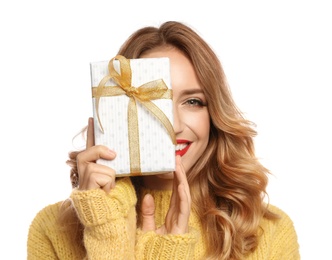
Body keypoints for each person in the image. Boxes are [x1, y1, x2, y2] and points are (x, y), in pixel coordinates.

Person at [27, 21, 300, 259]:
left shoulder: (269, 233)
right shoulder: (53, 230)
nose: (175, 126)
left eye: (193, 101)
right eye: (155, 103)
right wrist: (106, 233)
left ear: (214, 115)